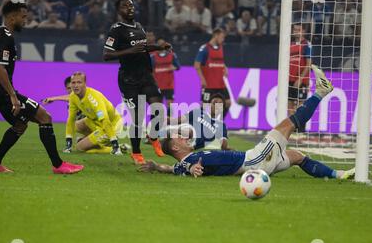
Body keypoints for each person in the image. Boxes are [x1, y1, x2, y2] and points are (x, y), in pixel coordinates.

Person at [139, 65, 355, 180]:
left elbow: (173, 168)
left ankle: (340, 175)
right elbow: (191, 166)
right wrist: (195, 169)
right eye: (178, 137)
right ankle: (321, 91)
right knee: (288, 124)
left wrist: (156, 166)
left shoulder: (184, 163)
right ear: (176, 146)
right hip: (254, 160)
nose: (183, 135)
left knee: (297, 157)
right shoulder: (192, 159)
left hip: (254, 162)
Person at [0, 1, 83, 174]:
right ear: (12, 16)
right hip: (3, 93)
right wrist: (13, 96)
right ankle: (58, 165)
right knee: (45, 117)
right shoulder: (4, 37)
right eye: (23, 17)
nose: (25, 20)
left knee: (20, 125)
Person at [102, 0, 171, 164]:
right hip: (128, 79)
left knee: (159, 110)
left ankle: (153, 136)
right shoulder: (116, 29)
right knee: (138, 117)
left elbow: (143, 48)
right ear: (119, 11)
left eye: (131, 5)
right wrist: (130, 50)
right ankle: (137, 152)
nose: (130, 8)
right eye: (125, 6)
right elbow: (106, 55)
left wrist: (158, 47)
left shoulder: (139, 26)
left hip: (146, 76)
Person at [63, 72, 124, 155]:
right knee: (76, 125)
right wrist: (68, 143)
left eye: (79, 82)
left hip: (112, 125)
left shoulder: (93, 98)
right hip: (96, 122)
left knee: (79, 147)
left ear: (85, 84)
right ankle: (97, 141)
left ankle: (116, 148)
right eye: (73, 83)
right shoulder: (73, 97)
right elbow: (71, 119)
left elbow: (105, 120)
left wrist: (115, 143)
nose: (76, 85)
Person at [162, 93, 229, 150]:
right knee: (188, 130)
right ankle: (166, 134)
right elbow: (177, 120)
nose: (217, 106)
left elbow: (224, 144)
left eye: (220, 104)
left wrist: (227, 147)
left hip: (191, 145)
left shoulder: (221, 126)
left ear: (222, 108)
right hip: (184, 132)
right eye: (214, 103)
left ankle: (165, 135)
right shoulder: (197, 112)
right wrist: (165, 119)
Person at [194, 28, 231, 116]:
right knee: (205, 106)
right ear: (216, 35)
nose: (223, 40)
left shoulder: (220, 48)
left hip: (220, 83)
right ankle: (201, 123)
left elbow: (220, 61)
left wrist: (225, 68)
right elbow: (196, 65)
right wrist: (202, 79)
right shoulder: (205, 48)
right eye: (222, 37)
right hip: (209, 84)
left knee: (227, 102)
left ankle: (217, 122)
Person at [150, 37, 181, 116]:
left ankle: (169, 124)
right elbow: (149, 69)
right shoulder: (153, 57)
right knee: (157, 105)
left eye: (162, 43)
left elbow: (178, 67)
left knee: (170, 104)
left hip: (169, 85)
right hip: (157, 86)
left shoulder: (172, 55)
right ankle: (156, 125)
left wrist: (172, 67)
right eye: (159, 43)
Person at [288, 23, 312, 123]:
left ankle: (300, 130)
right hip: (290, 79)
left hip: (301, 80)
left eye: (299, 30)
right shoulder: (290, 45)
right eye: (295, 30)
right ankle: (292, 130)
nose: (296, 32)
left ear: (303, 31)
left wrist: (300, 79)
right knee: (290, 106)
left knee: (300, 106)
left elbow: (309, 64)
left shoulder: (306, 44)